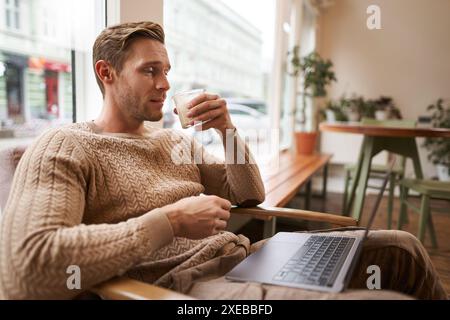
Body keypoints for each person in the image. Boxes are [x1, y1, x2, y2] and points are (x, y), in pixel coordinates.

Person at [0, 22, 446, 300]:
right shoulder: (66, 145)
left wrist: (227, 129)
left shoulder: (170, 141)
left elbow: (249, 193)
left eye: (167, 70)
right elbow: (30, 266)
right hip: (187, 287)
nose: (163, 83)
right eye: (149, 70)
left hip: (245, 258)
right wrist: (170, 221)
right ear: (106, 72)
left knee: (403, 247)